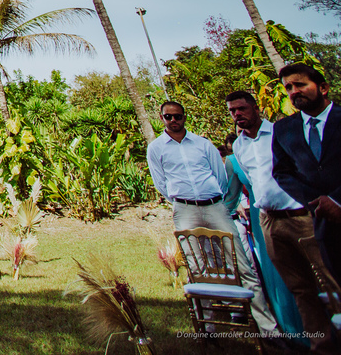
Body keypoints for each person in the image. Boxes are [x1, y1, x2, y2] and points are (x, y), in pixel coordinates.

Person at [146, 100, 275, 333]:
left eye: (177, 116)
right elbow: (160, 183)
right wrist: (182, 200)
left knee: (241, 263)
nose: (173, 120)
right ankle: (208, 328)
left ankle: (268, 328)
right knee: (197, 267)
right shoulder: (156, 148)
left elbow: (221, 177)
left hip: (215, 206)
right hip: (184, 209)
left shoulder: (202, 144)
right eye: (168, 117)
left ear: (184, 117)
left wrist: (212, 199)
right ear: (162, 118)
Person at [226, 90, 307, 340]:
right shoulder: (238, 146)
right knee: (281, 279)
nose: (237, 114)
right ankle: (295, 335)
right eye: (232, 111)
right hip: (267, 218)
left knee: (317, 273)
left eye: (242, 108)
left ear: (256, 108)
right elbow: (252, 182)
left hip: (299, 212)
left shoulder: (281, 133)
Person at [271, 63, 341, 351]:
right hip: (325, 223)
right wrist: (319, 203)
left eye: (300, 84)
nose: (293, 91)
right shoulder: (284, 128)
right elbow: (282, 172)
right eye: (288, 87)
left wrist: (337, 200)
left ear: (322, 88)